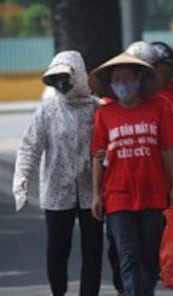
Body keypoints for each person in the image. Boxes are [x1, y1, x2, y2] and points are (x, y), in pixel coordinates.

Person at [89, 52, 173, 296]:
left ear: (139, 79)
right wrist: (96, 194)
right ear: (110, 84)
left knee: (150, 255)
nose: (123, 84)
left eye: (127, 78)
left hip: (154, 192)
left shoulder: (159, 108)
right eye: (117, 79)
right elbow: (98, 156)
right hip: (118, 195)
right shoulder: (104, 115)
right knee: (128, 254)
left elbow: (170, 149)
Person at [12, 50, 103, 296]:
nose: (63, 84)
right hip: (56, 189)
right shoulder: (48, 110)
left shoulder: (97, 109)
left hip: (91, 190)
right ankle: (58, 292)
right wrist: (22, 179)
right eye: (57, 79)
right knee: (56, 251)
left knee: (93, 250)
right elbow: (30, 146)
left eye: (67, 77)